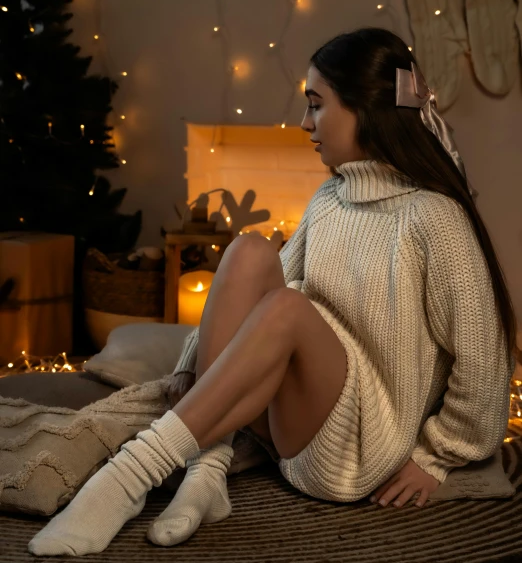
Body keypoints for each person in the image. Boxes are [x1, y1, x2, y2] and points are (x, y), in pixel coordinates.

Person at [28, 28, 517, 557]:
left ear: (365, 109)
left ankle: (128, 478)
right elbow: (259, 290)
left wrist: (435, 456)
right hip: (292, 412)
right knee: (249, 251)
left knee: (288, 306)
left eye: (316, 105)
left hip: (356, 446)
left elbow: (485, 360)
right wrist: (194, 367)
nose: (305, 123)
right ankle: (206, 471)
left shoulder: (433, 219)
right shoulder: (331, 198)